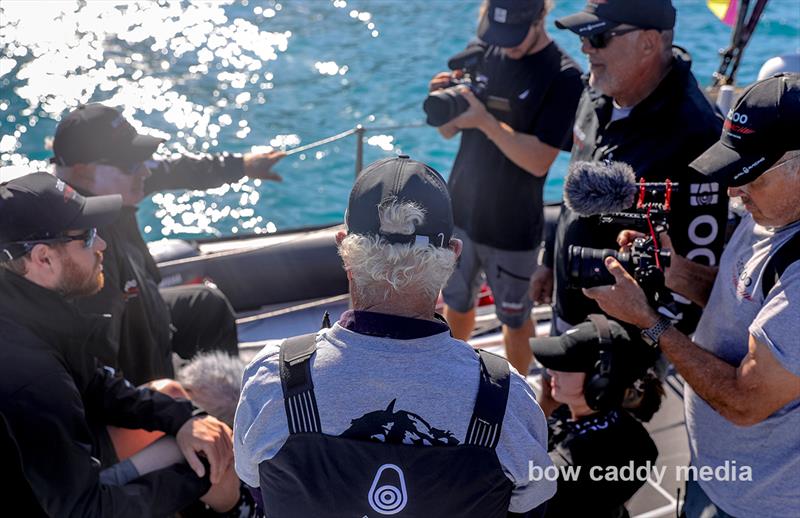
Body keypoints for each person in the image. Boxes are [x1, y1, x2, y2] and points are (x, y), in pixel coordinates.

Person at [234, 156, 555, 517]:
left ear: (344, 247)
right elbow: (530, 506)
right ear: (452, 254)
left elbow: (257, 485)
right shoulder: (505, 395)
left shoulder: (273, 378)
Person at [583, 74, 800, 518]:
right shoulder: (771, 214)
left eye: (750, 176)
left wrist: (650, 322)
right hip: (723, 477)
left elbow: (746, 402)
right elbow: (746, 302)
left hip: (761, 505)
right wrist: (677, 274)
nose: (734, 192)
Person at [0, 172, 239, 516]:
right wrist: (198, 480)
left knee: (173, 398)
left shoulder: (33, 310)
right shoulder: (32, 377)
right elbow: (83, 510)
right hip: (61, 501)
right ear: (43, 259)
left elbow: (95, 383)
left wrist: (182, 420)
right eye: (87, 237)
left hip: (54, 467)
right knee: (214, 461)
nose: (102, 246)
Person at [51, 102, 284, 385]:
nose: (145, 173)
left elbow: (171, 169)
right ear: (83, 171)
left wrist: (242, 166)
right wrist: (166, 407)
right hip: (127, 349)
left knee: (205, 305)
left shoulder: (108, 183)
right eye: (132, 164)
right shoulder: (78, 247)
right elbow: (97, 358)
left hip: (140, 300)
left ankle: (227, 405)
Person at [533, 0, 728, 337]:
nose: (583, 47)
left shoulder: (697, 135)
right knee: (550, 390)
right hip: (568, 305)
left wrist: (633, 349)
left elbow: (696, 279)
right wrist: (550, 260)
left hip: (625, 340)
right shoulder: (596, 92)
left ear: (649, 42)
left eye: (599, 37)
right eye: (583, 36)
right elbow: (573, 188)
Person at [429, 0, 583, 375]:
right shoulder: (486, 51)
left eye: (515, 36)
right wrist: (447, 106)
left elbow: (538, 160)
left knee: (514, 317)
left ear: (539, 18)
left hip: (514, 226)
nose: (507, 45)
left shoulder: (563, 76)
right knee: (457, 302)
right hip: (461, 211)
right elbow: (447, 131)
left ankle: (515, 393)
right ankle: (452, 378)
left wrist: (484, 121)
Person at [530, 315, 663, 517]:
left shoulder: (556, 474)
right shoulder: (640, 441)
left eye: (565, 366)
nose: (551, 371)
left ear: (598, 384)